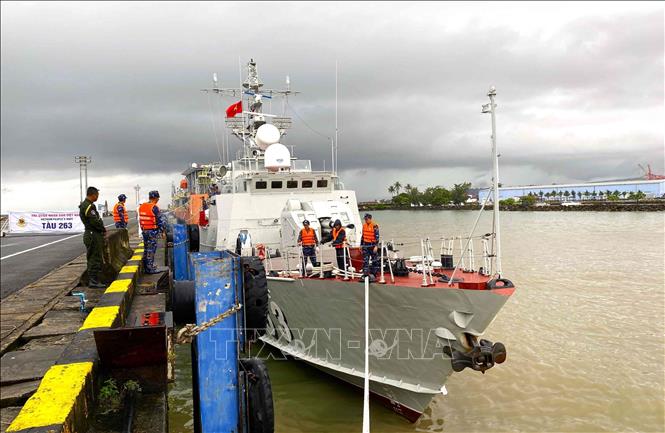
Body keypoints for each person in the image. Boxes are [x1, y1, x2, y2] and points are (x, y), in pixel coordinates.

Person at [79, 186, 107, 288]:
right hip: (92, 234)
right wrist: (103, 229)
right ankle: (93, 281)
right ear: (93, 195)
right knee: (94, 258)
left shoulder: (88, 205)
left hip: (93, 233)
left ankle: (95, 280)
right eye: (97, 195)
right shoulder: (88, 206)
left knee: (95, 257)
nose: (98, 197)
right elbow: (94, 221)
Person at [138, 190, 166, 274]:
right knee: (151, 250)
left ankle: (147, 267)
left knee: (146, 249)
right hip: (152, 232)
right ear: (156, 198)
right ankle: (150, 269)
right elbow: (159, 221)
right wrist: (162, 232)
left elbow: (141, 219)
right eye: (158, 198)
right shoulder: (154, 207)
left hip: (144, 231)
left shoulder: (142, 206)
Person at [361, 213, 380, 278]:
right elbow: (362, 236)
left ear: (370, 219)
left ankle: (374, 273)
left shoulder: (374, 226)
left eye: (367, 219)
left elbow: (377, 237)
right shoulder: (364, 226)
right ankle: (365, 273)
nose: (366, 220)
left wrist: (376, 246)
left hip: (372, 245)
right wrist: (361, 245)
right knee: (365, 260)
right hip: (365, 245)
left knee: (374, 260)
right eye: (365, 219)